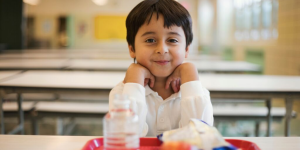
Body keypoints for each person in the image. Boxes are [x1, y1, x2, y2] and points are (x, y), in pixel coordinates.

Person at [109, 0, 213, 137]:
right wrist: (134, 79)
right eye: (150, 40)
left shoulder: (197, 92)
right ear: (132, 49)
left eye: (172, 40)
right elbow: (124, 139)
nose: (162, 49)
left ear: (186, 49)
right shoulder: (122, 93)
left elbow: (201, 137)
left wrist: (190, 72)